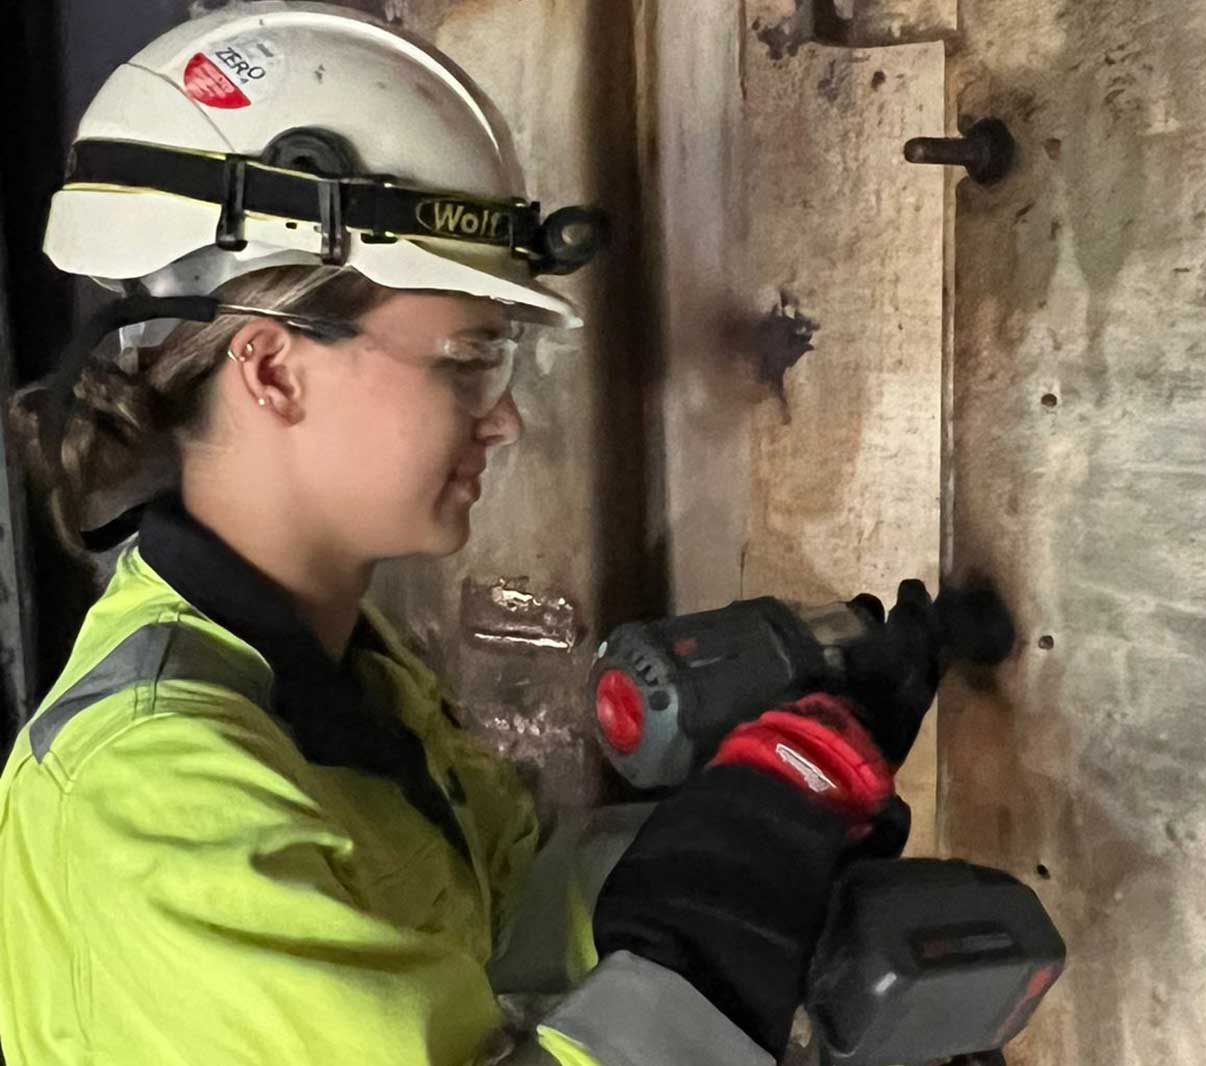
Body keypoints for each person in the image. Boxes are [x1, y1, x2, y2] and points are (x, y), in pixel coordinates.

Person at [0, 5, 943, 1065]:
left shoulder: (337, 671)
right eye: (465, 360)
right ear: (273, 369)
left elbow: (499, 939)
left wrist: (761, 828)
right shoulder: (157, 794)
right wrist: (712, 930)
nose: (505, 420)